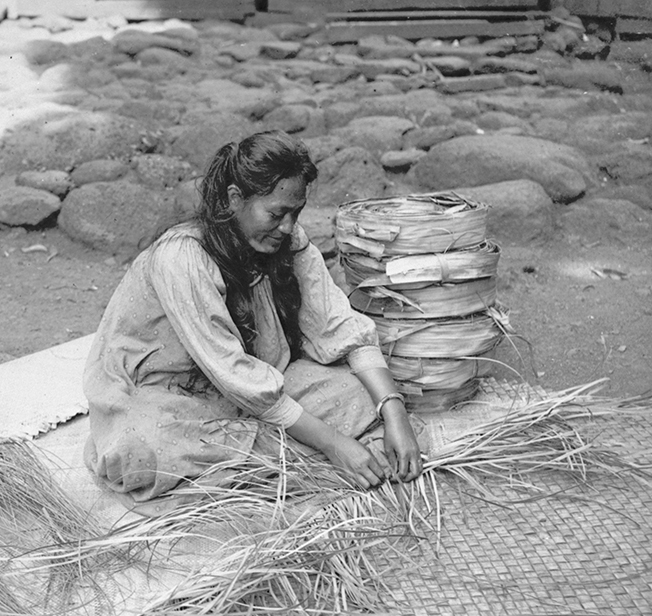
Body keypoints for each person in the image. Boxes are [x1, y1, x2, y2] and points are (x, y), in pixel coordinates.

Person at [83, 131, 421, 506]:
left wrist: (394, 412)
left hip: (250, 389)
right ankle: (302, 451)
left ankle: (278, 450)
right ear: (234, 199)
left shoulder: (286, 240)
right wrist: (334, 443)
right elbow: (232, 371)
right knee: (142, 448)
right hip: (165, 395)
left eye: (296, 213)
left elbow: (338, 325)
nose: (288, 226)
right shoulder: (182, 257)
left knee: (359, 394)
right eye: (277, 213)